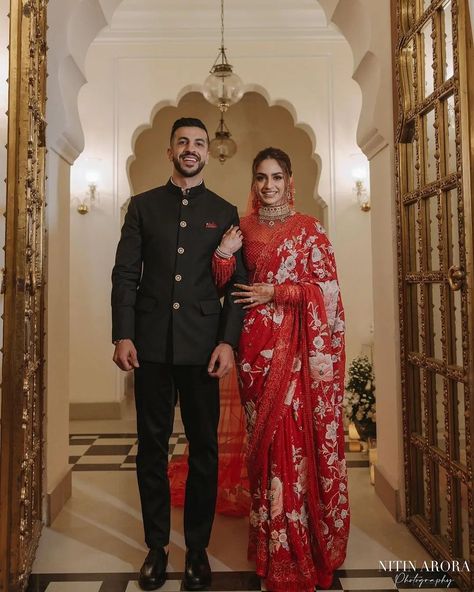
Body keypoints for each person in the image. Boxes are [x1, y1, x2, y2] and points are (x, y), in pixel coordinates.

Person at [111, 117, 246, 592]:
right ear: (170, 151)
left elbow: (237, 287)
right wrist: (123, 334)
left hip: (204, 350)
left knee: (204, 450)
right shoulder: (143, 207)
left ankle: (197, 550)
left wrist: (228, 341)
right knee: (151, 448)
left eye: (199, 144)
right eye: (183, 143)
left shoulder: (225, 211)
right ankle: (155, 547)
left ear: (208, 153)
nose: (191, 149)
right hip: (149, 349)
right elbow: (125, 274)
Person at [212, 147, 349, 591]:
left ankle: (298, 546)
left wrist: (279, 292)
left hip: (297, 354)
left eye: (276, 176)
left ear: (290, 180)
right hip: (255, 354)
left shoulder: (309, 230)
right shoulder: (244, 228)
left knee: (294, 444)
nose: (268, 185)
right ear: (254, 182)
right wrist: (221, 254)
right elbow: (225, 286)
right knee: (266, 445)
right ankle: (271, 545)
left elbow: (325, 295)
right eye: (261, 177)